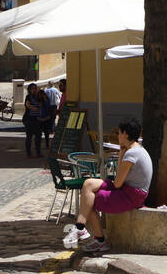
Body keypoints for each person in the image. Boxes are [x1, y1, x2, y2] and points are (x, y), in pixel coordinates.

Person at [63, 120, 152, 254]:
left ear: (125, 135)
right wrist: (122, 150)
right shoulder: (135, 149)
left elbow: (117, 183)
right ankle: (80, 228)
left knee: (90, 201)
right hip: (128, 189)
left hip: (131, 195)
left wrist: (123, 153)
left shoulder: (132, 154)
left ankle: (98, 240)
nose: (118, 136)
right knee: (88, 184)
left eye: (119, 133)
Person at [23, 83, 45, 157]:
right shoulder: (28, 97)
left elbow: (43, 104)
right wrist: (35, 109)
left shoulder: (39, 97)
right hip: (29, 119)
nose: (34, 90)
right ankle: (28, 152)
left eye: (35, 88)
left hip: (37, 120)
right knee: (29, 136)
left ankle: (38, 152)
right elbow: (27, 105)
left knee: (38, 136)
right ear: (29, 90)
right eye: (33, 88)